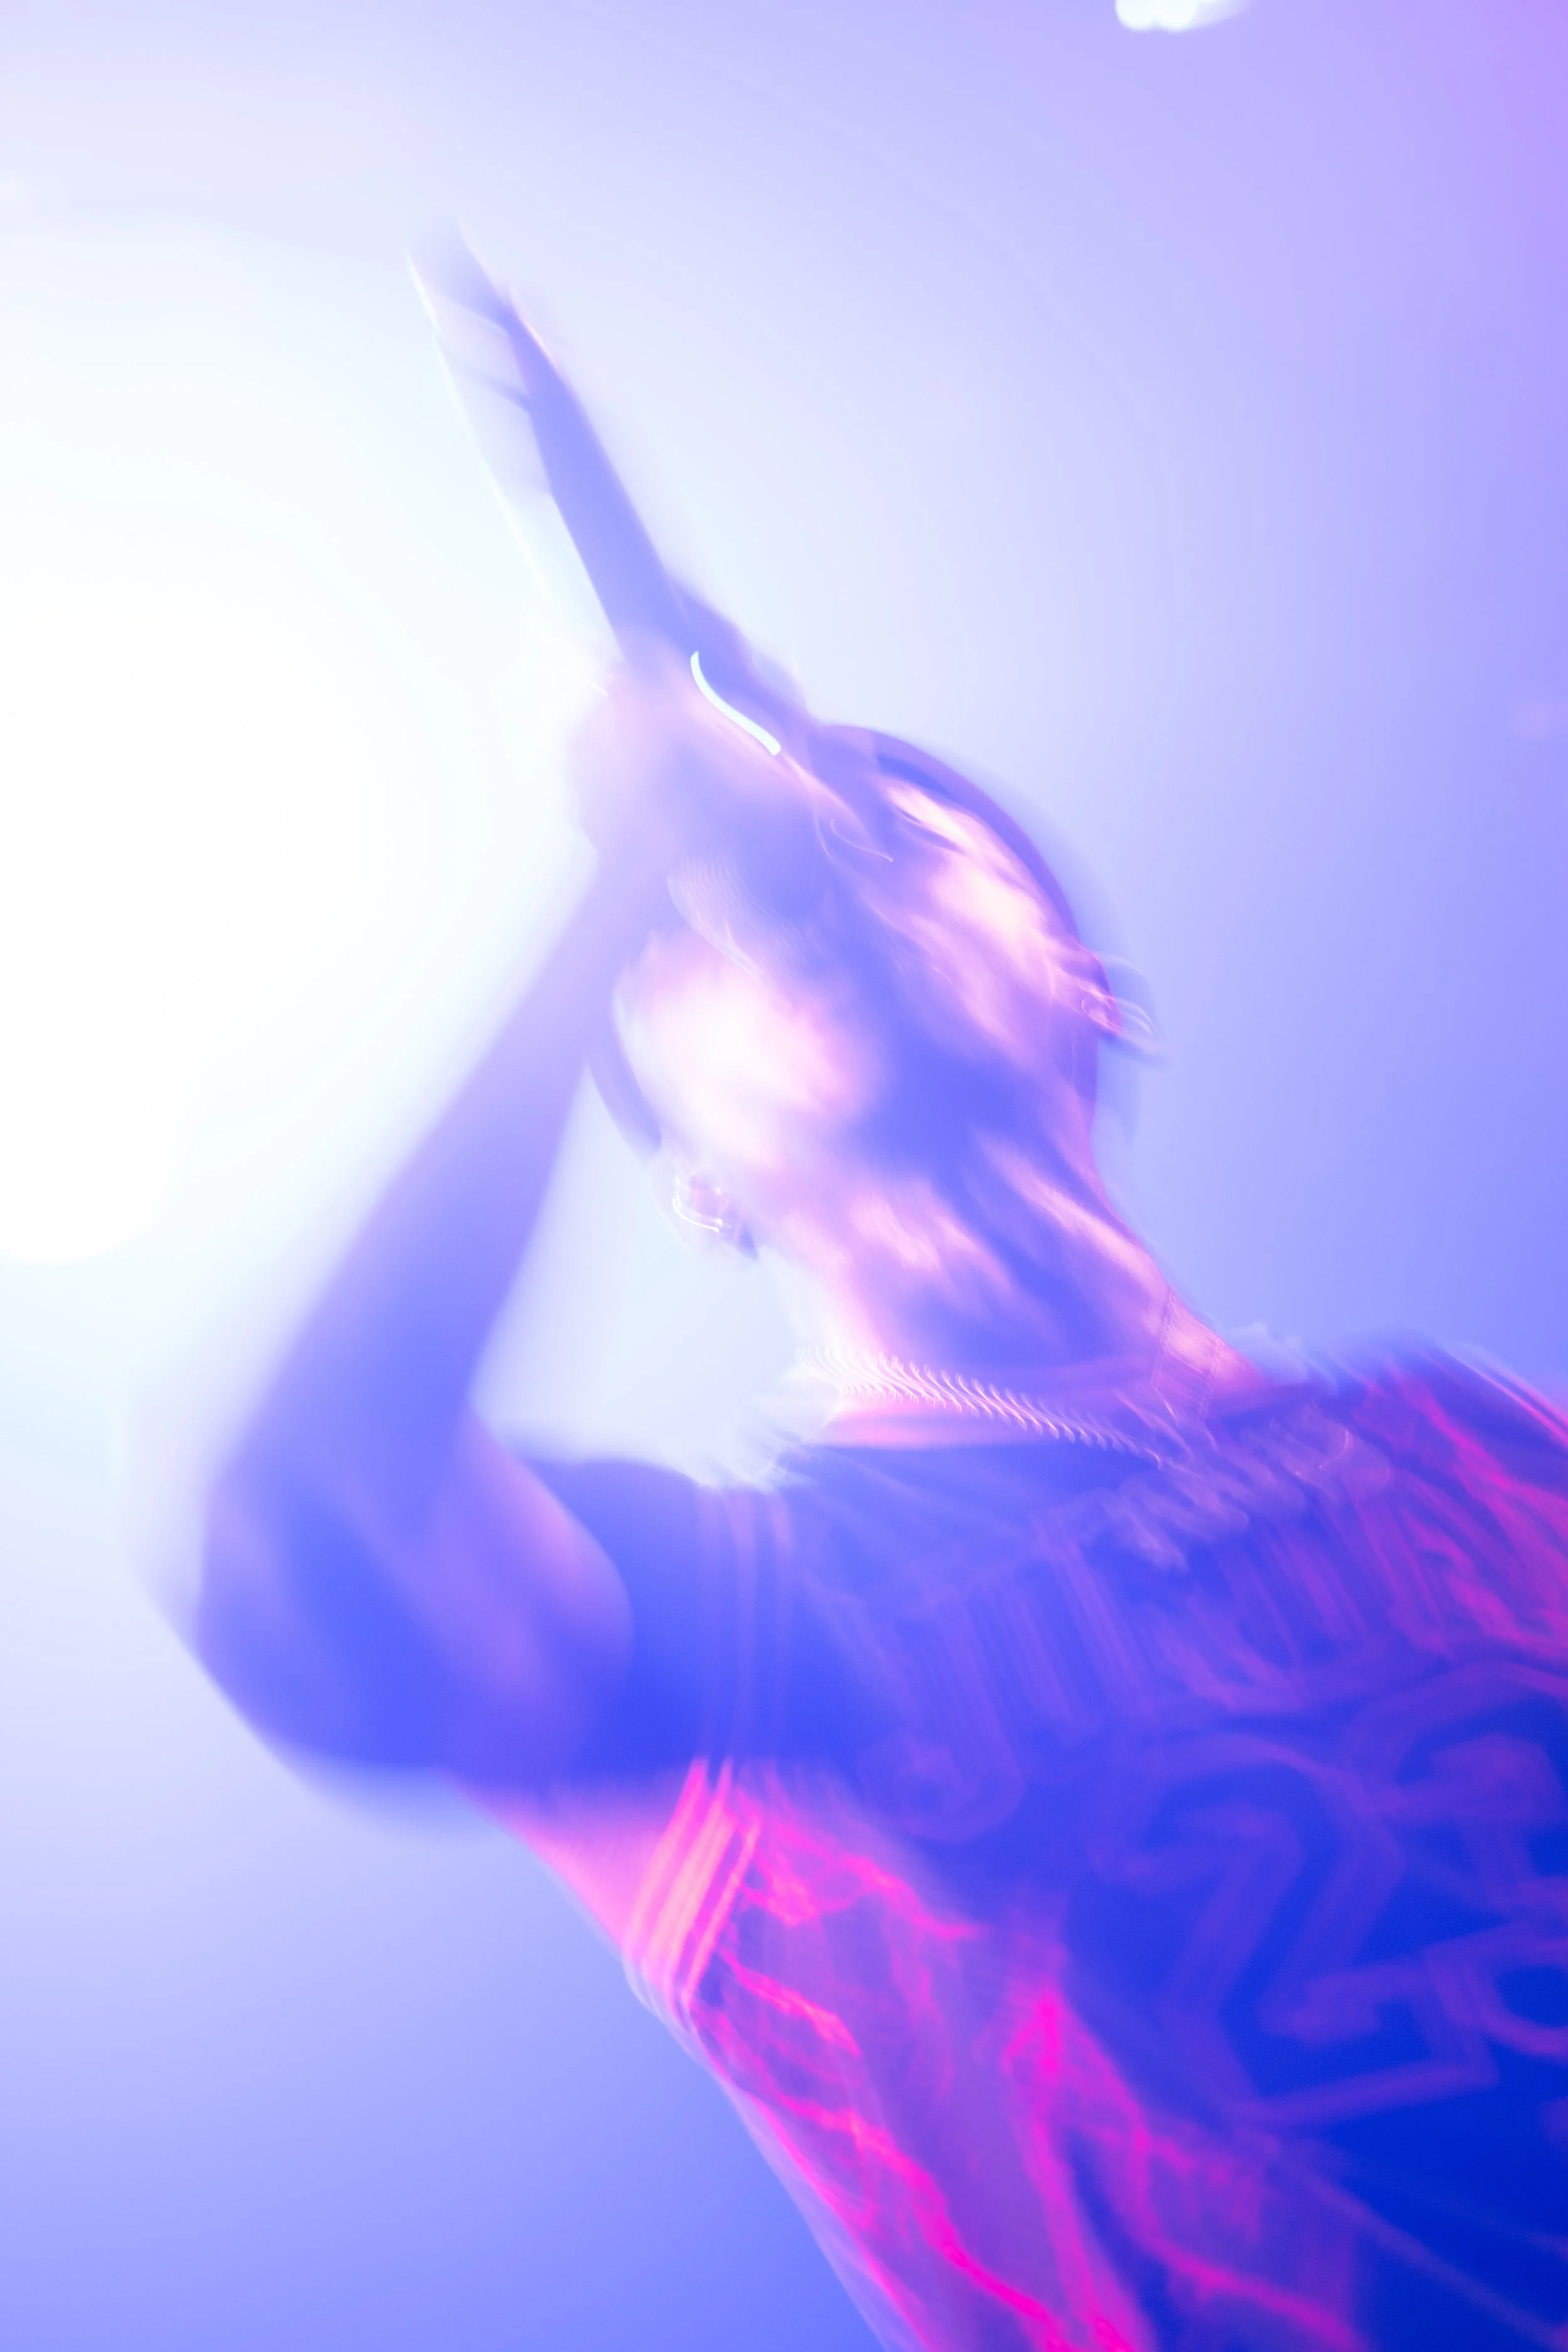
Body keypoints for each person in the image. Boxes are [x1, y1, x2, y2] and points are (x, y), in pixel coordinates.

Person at [196, 638, 1568, 2352]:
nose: (812, 885)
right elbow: (306, 1513)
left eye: (882, 836)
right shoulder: (721, 1615)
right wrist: (620, 869)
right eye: (708, 929)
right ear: (693, 1184)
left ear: (1087, 981)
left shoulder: (1470, 1440)